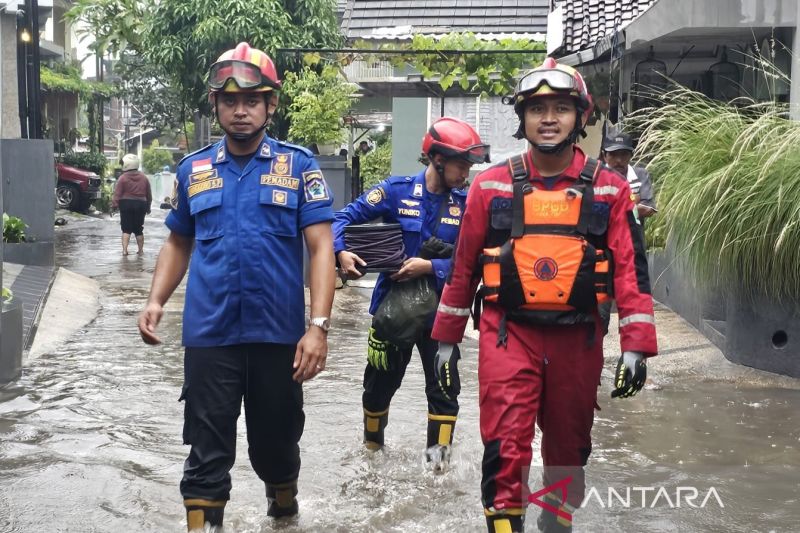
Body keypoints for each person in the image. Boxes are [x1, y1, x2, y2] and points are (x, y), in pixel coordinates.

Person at [430, 58, 657, 532]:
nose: (548, 118)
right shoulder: (489, 187)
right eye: (537, 108)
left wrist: (636, 346)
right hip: (507, 335)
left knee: (568, 452)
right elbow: (463, 268)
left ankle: (556, 523)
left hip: (579, 340)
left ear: (580, 116)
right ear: (523, 117)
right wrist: (446, 340)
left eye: (559, 108)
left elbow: (632, 271)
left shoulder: (612, 191)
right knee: (505, 448)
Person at [137, 42, 336, 532]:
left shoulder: (299, 167)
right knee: (206, 457)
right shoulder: (194, 170)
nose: (240, 110)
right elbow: (179, 242)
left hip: (278, 337)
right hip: (210, 336)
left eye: (252, 100)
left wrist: (318, 327)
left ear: (271, 105)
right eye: (229, 101)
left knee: (277, 448)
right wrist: (155, 299)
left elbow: (321, 248)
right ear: (216, 105)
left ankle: (283, 514)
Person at [334, 117, 489, 470]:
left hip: (443, 316)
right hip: (392, 312)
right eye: (461, 165)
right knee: (377, 388)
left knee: (445, 393)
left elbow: (476, 261)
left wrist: (430, 268)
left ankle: (438, 467)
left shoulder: (466, 205)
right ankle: (372, 454)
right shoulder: (395, 190)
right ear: (437, 159)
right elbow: (339, 219)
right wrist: (341, 252)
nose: (467, 173)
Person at [600, 129, 657, 225]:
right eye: (613, 154)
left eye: (624, 154)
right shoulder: (595, 175)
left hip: (633, 236)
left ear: (631, 155)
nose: (618, 160)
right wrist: (633, 205)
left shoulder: (640, 175)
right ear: (604, 156)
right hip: (602, 237)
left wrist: (610, 209)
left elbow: (648, 209)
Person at [112, 153, 152, 255]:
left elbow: (117, 193)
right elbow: (149, 195)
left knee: (126, 229)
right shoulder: (144, 177)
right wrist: (148, 207)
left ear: (126, 164)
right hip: (141, 205)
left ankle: (125, 251)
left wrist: (114, 206)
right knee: (139, 229)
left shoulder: (122, 178)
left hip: (126, 204)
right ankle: (140, 250)